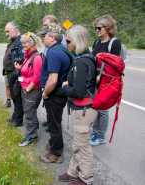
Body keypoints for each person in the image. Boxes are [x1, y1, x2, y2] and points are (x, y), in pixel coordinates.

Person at [58, 25, 97, 185]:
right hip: (86, 109)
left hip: (83, 110)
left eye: (68, 41)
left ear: (77, 41)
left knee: (82, 146)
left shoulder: (81, 62)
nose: (66, 44)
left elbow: (79, 92)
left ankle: (86, 178)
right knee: (78, 144)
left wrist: (66, 86)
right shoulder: (88, 57)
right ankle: (73, 172)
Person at [39, 23, 72, 163]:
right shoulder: (63, 49)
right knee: (55, 122)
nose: (42, 38)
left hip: (54, 94)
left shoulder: (53, 52)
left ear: (52, 37)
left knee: (54, 124)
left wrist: (45, 94)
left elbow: (52, 80)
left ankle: (56, 154)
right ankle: (54, 145)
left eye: (44, 36)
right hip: (60, 93)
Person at [90, 14, 121, 146]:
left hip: (107, 80)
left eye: (99, 28)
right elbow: (92, 59)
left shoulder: (114, 43)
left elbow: (114, 63)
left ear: (108, 28)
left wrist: (101, 75)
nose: (96, 30)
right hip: (95, 78)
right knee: (95, 105)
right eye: (95, 28)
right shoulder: (96, 42)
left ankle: (100, 136)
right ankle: (96, 132)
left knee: (102, 109)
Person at [15, 32, 43, 147]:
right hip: (25, 88)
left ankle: (31, 136)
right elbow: (28, 71)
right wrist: (20, 68)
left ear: (32, 43)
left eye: (25, 43)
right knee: (29, 112)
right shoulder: (28, 55)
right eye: (22, 43)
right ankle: (34, 130)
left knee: (29, 113)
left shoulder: (36, 57)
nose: (23, 45)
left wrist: (28, 88)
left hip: (31, 90)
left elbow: (37, 76)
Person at [3, 21, 24, 126]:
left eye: (8, 31)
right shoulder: (12, 41)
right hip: (10, 74)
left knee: (17, 97)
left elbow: (22, 60)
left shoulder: (20, 42)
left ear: (15, 30)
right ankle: (15, 117)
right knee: (14, 97)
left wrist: (17, 76)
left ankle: (18, 120)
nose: (6, 34)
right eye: (5, 31)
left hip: (16, 75)